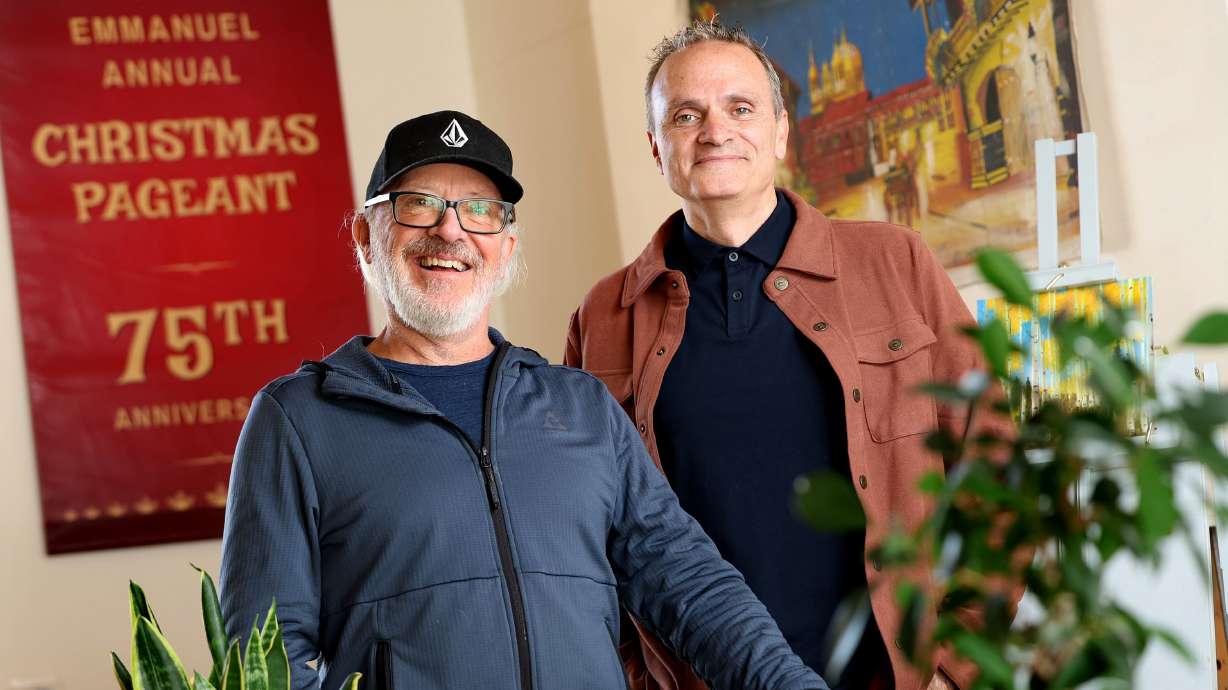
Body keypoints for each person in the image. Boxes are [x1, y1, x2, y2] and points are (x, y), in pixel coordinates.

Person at [219, 110, 828, 690]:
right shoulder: (298, 420)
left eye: (481, 210)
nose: (450, 229)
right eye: (420, 205)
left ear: (505, 247)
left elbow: (691, 586)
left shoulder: (581, 408)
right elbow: (266, 659)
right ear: (366, 237)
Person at [565, 20, 1016, 690]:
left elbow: (996, 460)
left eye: (739, 108)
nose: (715, 131)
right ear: (657, 150)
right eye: (686, 115)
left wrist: (957, 666)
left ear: (780, 131)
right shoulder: (603, 317)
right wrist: (634, 674)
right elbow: (581, 536)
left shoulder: (896, 263)